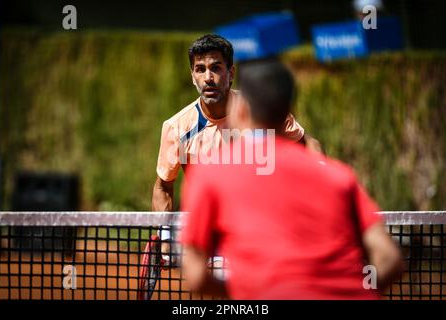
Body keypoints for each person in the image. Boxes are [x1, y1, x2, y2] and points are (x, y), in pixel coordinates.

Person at [180, 60, 404, 299]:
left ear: (241, 109)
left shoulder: (210, 173)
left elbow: (196, 275)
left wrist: (250, 293)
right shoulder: (340, 175)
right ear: (287, 110)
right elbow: (390, 258)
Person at [152, 34, 322, 263]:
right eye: (200, 69)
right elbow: (164, 186)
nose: (208, 78)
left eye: (216, 68)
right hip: (213, 235)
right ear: (193, 77)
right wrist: (164, 238)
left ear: (231, 74)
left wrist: (321, 184)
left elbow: (308, 144)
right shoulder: (177, 129)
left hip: (265, 231)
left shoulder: (260, 110)